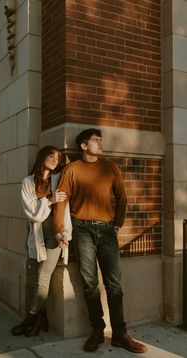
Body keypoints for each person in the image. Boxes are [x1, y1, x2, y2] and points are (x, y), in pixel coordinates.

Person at [53, 128, 147, 353]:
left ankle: (120, 334)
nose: (100, 144)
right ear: (84, 146)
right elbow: (61, 200)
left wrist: (118, 222)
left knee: (114, 285)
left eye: (100, 140)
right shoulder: (72, 169)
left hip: (106, 231)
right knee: (90, 284)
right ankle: (97, 330)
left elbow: (122, 196)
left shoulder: (110, 167)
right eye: (95, 141)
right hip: (82, 229)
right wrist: (59, 230)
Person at [11, 145, 72, 337]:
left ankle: (29, 319)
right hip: (36, 236)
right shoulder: (28, 182)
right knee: (35, 280)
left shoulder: (58, 180)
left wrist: (65, 233)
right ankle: (41, 318)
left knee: (43, 278)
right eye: (51, 156)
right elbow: (32, 213)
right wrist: (49, 201)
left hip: (54, 235)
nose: (55, 159)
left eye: (58, 157)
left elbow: (66, 211)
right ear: (42, 157)